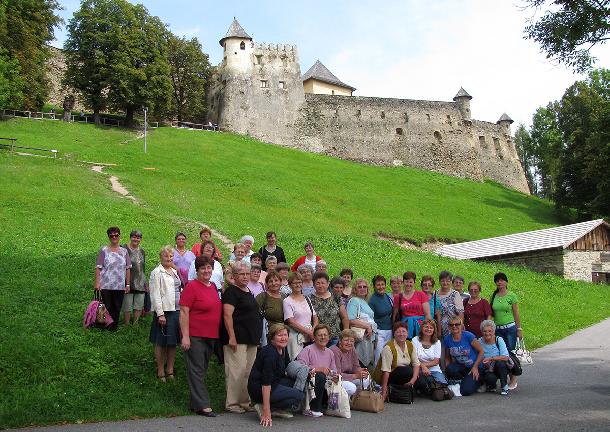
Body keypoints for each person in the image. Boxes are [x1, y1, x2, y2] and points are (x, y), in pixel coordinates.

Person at [179, 256, 223, 417]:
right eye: (203, 268)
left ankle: (195, 403)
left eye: (209, 268)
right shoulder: (191, 287)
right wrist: (185, 336)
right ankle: (203, 405)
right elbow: (184, 312)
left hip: (211, 335)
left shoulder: (213, 286)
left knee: (200, 369)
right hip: (195, 335)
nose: (206, 271)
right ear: (196, 270)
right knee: (196, 369)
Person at [222, 261, 262, 413]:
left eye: (247, 273)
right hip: (237, 339)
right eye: (241, 274)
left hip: (251, 339)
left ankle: (245, 402)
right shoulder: (231, 292)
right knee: (235, 371)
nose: (245, 277)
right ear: (234, 276)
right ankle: (232, 404)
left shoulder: (247, 290)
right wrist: (231, 337)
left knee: (247, 372)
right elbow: (227, 315)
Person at [248, 324, 304, 426]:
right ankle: (265, 407)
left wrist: (306, 372)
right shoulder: (270, 353)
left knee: (296, 384)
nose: (283, 338)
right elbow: (266, 383)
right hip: (259, 388)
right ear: (272, 337)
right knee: (298, 395)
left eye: (285, 335)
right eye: (279, 335)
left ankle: (276, 409)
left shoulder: (283, 349)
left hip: (274, 382)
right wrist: (266, 410)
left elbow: (288, 367)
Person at [149, 245, 181, 381]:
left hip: (176, 310)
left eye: (171, 256)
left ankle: (170, 369)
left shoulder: (174, 270)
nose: (169, 258)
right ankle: (161, 370)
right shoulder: (157, 272)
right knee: (161, 341)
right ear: (160, 257)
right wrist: (160, 313)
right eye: (166, 256)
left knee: (172, 342)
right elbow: (155, 294)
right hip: (164, 312)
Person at [296, 324, 339, 418]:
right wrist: (317, 369)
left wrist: (334, 376)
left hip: (326, 382)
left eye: (325, 335)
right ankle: (313, 408)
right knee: (320, 375)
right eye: (320, 335)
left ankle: (330, 406)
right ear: (314, 337)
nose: (323, 337)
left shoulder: (330, 352)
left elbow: (334, 370)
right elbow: (299, 367)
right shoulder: (307, 350)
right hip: (309, 381)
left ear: (329, 337)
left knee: (347, 385)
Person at [372, 322, 420, 401]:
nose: (401, 334)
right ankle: (388, 389)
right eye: (398, 332)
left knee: (419, 379)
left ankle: (403, 388)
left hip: (402, 373)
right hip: (389, 374)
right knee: (407, 371)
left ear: (407, 333)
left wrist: (412, 381)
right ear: (394, 334)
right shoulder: (389, 347)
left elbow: (416, 364)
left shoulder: (410, 344)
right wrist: (383, 393)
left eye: (403, 331)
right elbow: (385, 371)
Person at [490, 272, 522, 390]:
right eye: (497, 280)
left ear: (506, 282)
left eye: (502, 280)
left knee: (510, 353)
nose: (500, 282)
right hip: (498, 330)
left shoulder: (511, 295)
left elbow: (516, 313)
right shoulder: (494, 296)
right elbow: (492, 314)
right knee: (501, 354)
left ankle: (513, 379)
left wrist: (519, 329)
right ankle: (503, 378)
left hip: (510, 328)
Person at [95, 227, 132, 330]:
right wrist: (97, 283)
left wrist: (127, 284)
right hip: (106, 284)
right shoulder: (104, 250)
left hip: (119, 285)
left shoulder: (124, 252)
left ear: (119, 236)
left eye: (116, 235)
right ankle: (103, 324)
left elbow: (128, 268)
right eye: (112, 236)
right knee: (106, 306)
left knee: (117, 307)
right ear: (109, 237)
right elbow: (98, 267)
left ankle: (113, 326)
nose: (114, 237)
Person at [444, 316, 484, 396]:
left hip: (475, 366)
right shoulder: (447, 339)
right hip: (461, 366)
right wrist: (448, 371)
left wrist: (475, 367)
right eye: (451, 325)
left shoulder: (468, 336)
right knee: (450, 368)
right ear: (449, 327)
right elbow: (447, 356)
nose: (454, 326)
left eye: (457, 324)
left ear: (461, 326)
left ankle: (480, 381)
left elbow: (481, 351)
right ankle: (464, 381)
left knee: (466, 391)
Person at [283, 272, 318, 360]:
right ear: (290, 285)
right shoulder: (287, 301)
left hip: (310, 337)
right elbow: (291, 322)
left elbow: (315, 317)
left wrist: (313, 330)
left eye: (299, 282)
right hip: (296, 337)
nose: (298, 285)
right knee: (298, 360)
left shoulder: (307, 298)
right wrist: (309, 332)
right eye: (295, 283)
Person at [309, 272, 349, 346]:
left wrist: (346, 333)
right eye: (317, 283)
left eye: (323, 283)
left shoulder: (336, 297)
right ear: (313, 285)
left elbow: (344, 317)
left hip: (335, 337)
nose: (320, 285)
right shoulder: (309, 299)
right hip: (318, 338)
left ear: (328, 284)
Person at [392, 271, 432, 339]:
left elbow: (427, 314)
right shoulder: (398, 297)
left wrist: (428, 329)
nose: (408, 284)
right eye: (406, 282)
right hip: (405, 328)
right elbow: (395, 316)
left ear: (414, 283)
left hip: (420, 327)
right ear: (403, 282)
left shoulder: (421, 295)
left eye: (411, 282)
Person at [330, 329, 370, 396]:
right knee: (351, 388)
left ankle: (356, 400)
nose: (349, 343)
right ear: (340, 341)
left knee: (366, 379)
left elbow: (356, 366)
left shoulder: (352, 348)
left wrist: (361, 371)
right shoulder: (334, 351)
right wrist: (355, 376)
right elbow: (337, 374)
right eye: (346, 340)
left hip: (347, 376)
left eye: (351, 341)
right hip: (334, 379)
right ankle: (344, 403)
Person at [347, 278, 377, 367]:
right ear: (355, 289)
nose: (362, 289)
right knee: (359, 363)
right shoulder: (354, 301)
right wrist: (367, 326)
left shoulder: (364, 301)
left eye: (365, 287)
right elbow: (350, 320)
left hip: (367, 337)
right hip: (360, 337)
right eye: (359, 287)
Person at [412, 319, 447, 392]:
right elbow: (414, 358)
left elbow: (436, 361)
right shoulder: (415, 340)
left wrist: (424, 365)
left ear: (434, 330)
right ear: (422, 328)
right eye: (426, 327)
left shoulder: (437, 342)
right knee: (423, 384)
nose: (428, 329)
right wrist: (422, 367)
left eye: (431, 328)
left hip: (434, 369)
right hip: (418, 369)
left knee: (443, 385)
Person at [478, 320, 510, 395]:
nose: (487, 333)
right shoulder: (479, 341)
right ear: (482, 332)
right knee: (489, 377)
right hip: (487, 368)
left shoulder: (499, 340)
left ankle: (504, 385)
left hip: (500, 366)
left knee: (500, 363)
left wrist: (491, 358)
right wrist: (483, 361)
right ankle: (491, 386)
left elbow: (505, 357)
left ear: (494, 331)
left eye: (490, 331)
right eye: (485, 331)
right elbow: (477, 356)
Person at [368, 275, 394, 363]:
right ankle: (377, 375)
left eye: (382, 284)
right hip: (379, 332)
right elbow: (370, 318)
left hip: (389, 330)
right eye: (378, 285)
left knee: (388, 356)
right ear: (374, 286)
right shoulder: (372, 300)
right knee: (379, 357)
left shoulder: (387, 296)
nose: (381, 287)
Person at [121, 230, 145, 325]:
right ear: (130, 237)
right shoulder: (124, 249)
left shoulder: (142, 251)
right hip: (127, 281)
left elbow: (143, 267)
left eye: (138, 237)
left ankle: (135, 324)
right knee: (127, 304)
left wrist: (144, 281)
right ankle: (126, 324)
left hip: (140, 281)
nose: (136, 239)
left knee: (138, 305)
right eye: (134, 237)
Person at [256, 271, 285, 346]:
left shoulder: (284, 297)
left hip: (284, 335)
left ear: (280, 282)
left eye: (276, 280)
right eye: (270, 281)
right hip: (268, 335)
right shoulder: (262, 297)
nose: (274, 283)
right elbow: (255, 315)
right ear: (267, 284)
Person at [437, 271, 464, 338]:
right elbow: (437, 313)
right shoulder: (435, 294)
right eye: (443, 281)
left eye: (448, 281)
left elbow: (461, 313)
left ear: (451, 282)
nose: (445, 283)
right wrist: (439, 331)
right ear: (439, 281)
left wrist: (460, 328)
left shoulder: (455, 294)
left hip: (454, 327)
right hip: (440, 328)